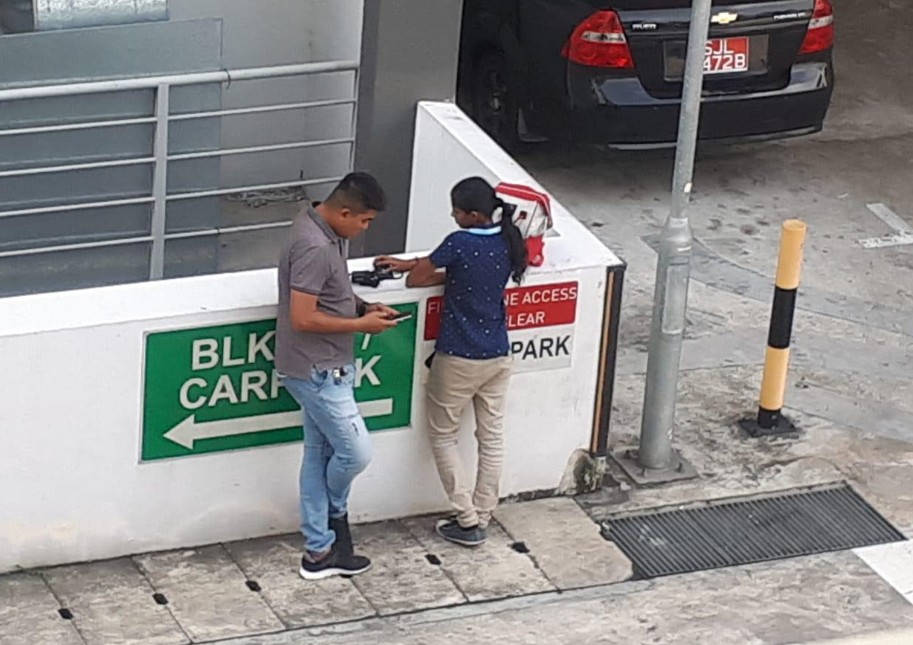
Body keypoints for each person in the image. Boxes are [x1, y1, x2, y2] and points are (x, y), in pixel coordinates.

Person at [376, 176, 528, 547]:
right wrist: (422, 263)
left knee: (443, 436)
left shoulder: (459, 243)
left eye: (456, 211)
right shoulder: (509, 239)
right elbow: (457, 270)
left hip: (459, 356)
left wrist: (414, 265)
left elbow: (417, 281)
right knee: (490, 438)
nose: (453, 215)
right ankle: (485, 511)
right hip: (498, 354)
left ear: (472, 215)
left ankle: (467, 518)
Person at [276, 172, 399, 579]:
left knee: (318, 453)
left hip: (323, 365)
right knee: (355, 452)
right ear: (344, 211)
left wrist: (361, 307)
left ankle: (320, 549)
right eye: (364, 221)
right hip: (317, 369)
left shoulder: (325, 231)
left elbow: (333, 290)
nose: (365, 229)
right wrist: (360, 327)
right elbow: (303, 317)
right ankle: (333, 516)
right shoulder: (313, 245)